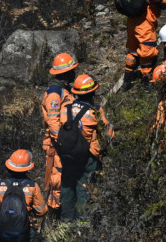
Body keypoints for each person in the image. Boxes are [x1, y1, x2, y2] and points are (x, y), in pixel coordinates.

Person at [57, 74, 114, 221]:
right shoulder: (95, 111)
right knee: (84, 187)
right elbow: (108, 134)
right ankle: (82, 223)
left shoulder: (65, 108)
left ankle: (66, 221)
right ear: (93, 92)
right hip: (88, 156)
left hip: (67, 154)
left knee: (67, 186)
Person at [39, 52, 78, 213]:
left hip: (67, 141)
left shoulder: (65, 90)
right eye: (72, 70)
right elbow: (53, 120)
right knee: (58, 178)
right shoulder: (55, 92)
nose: (74, 73)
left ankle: (67, 210)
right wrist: (61, 141)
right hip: (58, 145)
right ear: (66, 73)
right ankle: (56, 213)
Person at [0, 149, 47, 241]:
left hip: (4, 229)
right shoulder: (32, 186)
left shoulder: (0, 185)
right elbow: (42, 211)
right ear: (28, 168)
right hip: (26, 229)